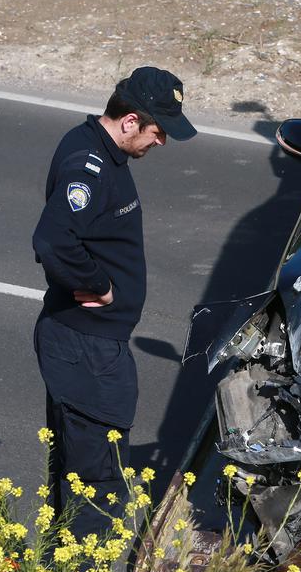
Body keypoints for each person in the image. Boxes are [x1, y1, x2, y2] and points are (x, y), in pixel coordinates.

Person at [32, 66, 196, 539]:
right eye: (157, 131)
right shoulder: (90, 163)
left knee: (76, 468)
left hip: (86, 344)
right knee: (97, 481)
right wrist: (99, 285)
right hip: (88, 348)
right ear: (129, 121)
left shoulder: (101, 151)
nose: (161, 142)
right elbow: (53, 238)